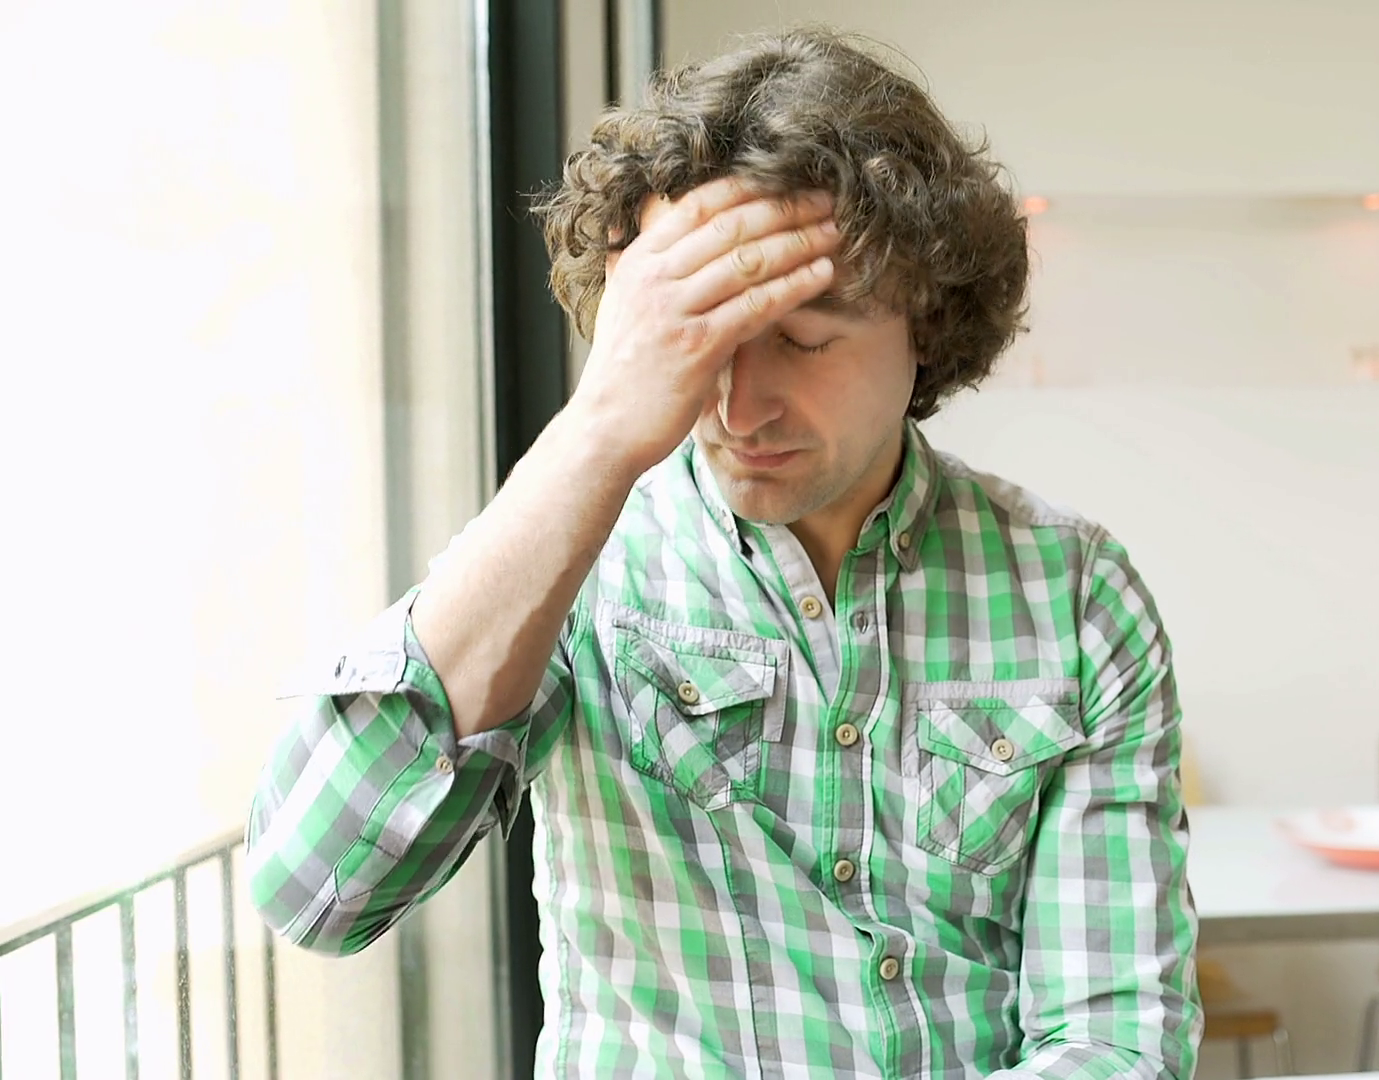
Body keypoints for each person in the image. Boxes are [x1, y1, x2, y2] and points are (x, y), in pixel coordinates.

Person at [246, 26, 1199, 1079]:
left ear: (925, 320)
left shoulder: (1072, 593)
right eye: (694, 342)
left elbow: (1114, 1040)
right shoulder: (579, 562)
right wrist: (601, 425)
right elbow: (315, 890)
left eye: (804, 338)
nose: (740, 409)